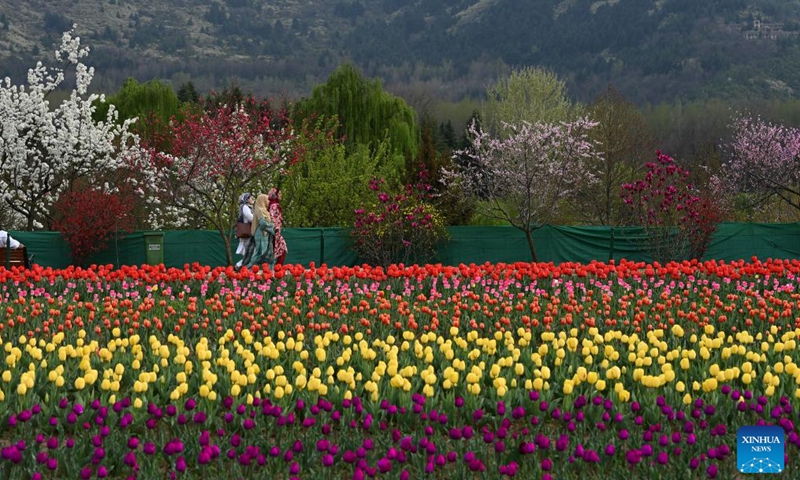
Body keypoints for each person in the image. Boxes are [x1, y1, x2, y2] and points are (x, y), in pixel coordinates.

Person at [242, 194, 276, 271]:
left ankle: (271, 272)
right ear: (262, 200)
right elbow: (262, 224)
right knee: (260, 252)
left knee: (269, 253)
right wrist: (272, 226)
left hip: (265, 234)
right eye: (267, 200)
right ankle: (248, 269)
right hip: (260, 234)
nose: (268, 202)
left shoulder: (264, 210)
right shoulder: (259, 210)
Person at [268, 188, 288, 266]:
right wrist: (276, 228)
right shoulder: (274, 205)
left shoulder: (273, 204)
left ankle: (278, 267)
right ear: (275, 195)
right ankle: (278, 268)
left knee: (281, 250)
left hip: (276, 231)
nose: (281, 195)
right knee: (281, 250)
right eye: (279, 194)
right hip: (275, 232)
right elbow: (272, 217)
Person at [235, 193, 255, 268]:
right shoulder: (245, 207)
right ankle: (239, 266)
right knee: (249, 252)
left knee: (249, 253)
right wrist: (257, 219)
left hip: (247, 231)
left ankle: (241, 266)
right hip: (247, 231)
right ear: (246, 199)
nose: (251, 199)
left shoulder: (246, 207)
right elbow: (250, 217)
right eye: (250, 198)